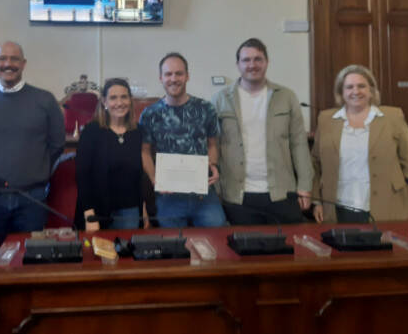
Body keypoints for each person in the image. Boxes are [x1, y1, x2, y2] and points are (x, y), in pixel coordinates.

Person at [0, 41, 65, 237]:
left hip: (32, 198)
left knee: (30, 260)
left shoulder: (45, 101)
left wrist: (33, 171)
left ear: (23, 63)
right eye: (2, 58)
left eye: (14, 59)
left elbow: (56, 146)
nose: (8, 64)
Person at [212, 38, 313, 225]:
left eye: (258, 59)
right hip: (237, 196)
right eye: (246, 60)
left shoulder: (287, 97)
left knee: (286, 251)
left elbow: (299, 144)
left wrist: (305, 187)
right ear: (238, 65)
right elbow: (214, 146)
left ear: (267, 62)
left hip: (281, 193)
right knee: (245, 251)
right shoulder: (220, 99)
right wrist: (217, 189)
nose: (252, 65)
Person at [312, 64, 408, 223]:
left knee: (383, 248)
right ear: (341, 92)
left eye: (361, 86)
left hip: (388, 207)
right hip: (338, 208)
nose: (355, 91)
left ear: (371, 90)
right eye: (349, 87)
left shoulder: (393, 117)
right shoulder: (325, 120)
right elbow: (315, 164)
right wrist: (316, 201)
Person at [139, 52, 226, 228]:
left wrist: (214, 165)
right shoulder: (150, 114)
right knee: (174, 248)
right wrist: (155, 178)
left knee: (216, 239)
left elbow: (212, 144)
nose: (174, 79)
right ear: (160, 78)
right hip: (169, 196)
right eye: (168, 74)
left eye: (179, 73)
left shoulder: (205, 108)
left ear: (187, 76)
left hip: (203, 194)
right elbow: (144, 151)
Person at [75, 78, 145, 231]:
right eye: (113, 98)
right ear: (104, 102)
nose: (119, 103)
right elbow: (82, 175)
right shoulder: (91, 131)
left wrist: (144, 209)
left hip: (130, 211)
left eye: (124, 97)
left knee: (127, 253)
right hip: (96, 210)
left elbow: (141, 175)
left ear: (130, 101)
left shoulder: (138, 132)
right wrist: (89, 215)